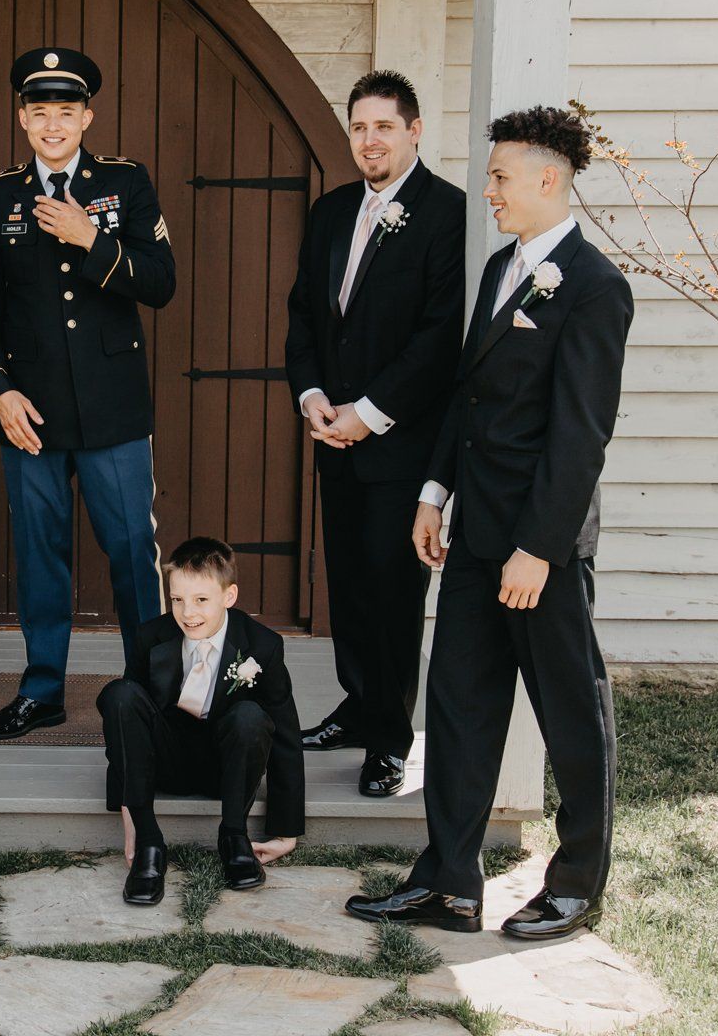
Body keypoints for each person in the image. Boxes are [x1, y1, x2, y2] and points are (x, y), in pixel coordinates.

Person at [345, 106, 632, 940]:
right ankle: (449, 881)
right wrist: (435, 492)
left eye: (501, 176)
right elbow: (466, 400)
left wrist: (538, 550)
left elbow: (582, 438)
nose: (489, 190)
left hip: (538, 548)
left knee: (571, 712)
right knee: (461, 705)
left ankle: (577, 883)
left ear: (549, 179)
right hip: (473, 539)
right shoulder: (503, 268)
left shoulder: (594, 287)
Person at [0, 47, 176, 740]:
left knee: (133, 556)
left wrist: (90, 239)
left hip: (113, 409)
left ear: (89, 116)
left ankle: (149, 687)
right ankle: (43, 689)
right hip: (33, 412)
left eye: (67, 110)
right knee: (40, 553)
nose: (54, 123)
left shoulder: (125, 183)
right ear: (22, 117)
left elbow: (161, 281)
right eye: (40, 110)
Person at [283, 69, 466, 797]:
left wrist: (371, 412)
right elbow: (303, 313)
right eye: (360, 127)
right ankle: (359, 707)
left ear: (414, 131)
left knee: (393, 596)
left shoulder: (448, 214)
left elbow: (438, 336)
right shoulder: (331, 212)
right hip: (334, 438)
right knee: (349, 588)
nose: (369, 140)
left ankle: (391, 739)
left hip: (401, 445)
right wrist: (314, 396)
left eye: (383, 126)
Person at [96, 537, 303, 905]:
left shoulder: (262, 645)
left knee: (251, 716)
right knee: (121, 694)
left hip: (226, 769)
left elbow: (285, 734)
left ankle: (233, 836)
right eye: (178, 599)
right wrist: (129, 813)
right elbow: (126, 729)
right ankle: (149, 844)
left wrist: (285, 831)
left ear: (229, 595)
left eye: (201, 600)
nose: (187, 613)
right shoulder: (150, 636)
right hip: (165, 761)